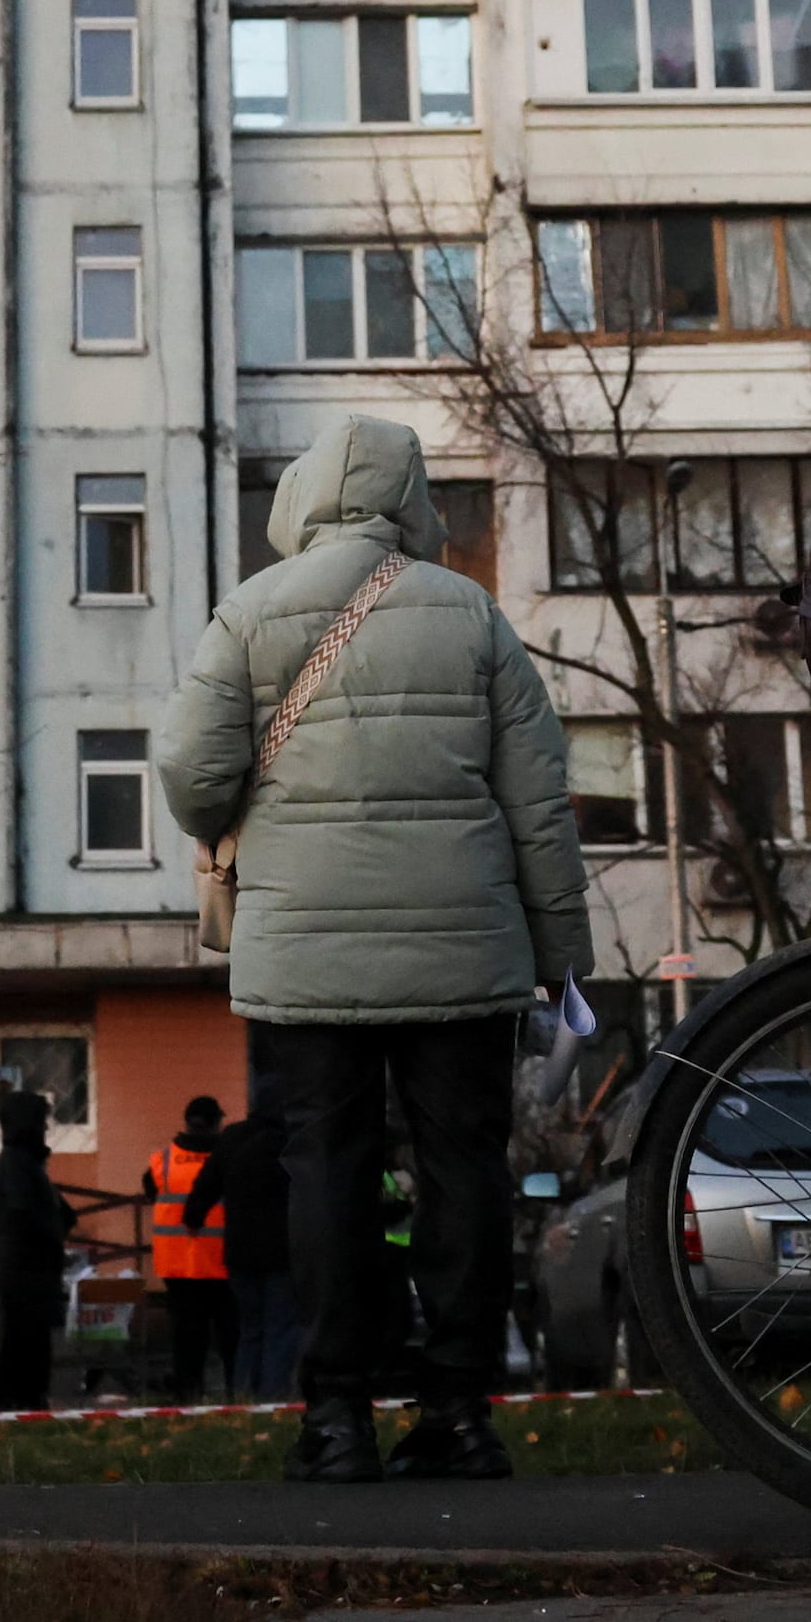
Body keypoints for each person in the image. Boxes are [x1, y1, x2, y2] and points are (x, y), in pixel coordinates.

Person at [161, 415, 591, 1484]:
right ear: (414, 501)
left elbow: (188, 771)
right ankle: (458, 1410)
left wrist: (252, 810)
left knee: (327, 1174)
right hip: (463, 949)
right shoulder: (472, 615)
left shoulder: (250, 614)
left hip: (307, 955)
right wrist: (558, 948)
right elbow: (538, 799)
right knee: (462, 1173)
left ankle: (336, 1418)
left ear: (301, 499)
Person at [147, 1093, 236, 1400]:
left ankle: (188, 1391)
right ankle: (235, 1393)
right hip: (220, 1262)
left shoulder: (164, 1160)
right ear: (216, 1125)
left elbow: (149, 1190)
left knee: (187, 1334)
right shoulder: (228, 1157)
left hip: (178, 1264)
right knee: (229, 1334)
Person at [0, 1085, 70, 1410]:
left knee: (28, 1339)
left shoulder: (22, 1162)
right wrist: (53, 1230)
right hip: (27, 1269)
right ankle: (22, 1404)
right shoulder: (19, 1163)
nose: (46, 1128)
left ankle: (25, 1402)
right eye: (41, 1121)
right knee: (26, 1341)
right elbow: (28, 1211)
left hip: (28, 1268)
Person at [211, 1099, 300, 1400]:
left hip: (239, 1253)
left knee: (250, 1330)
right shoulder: (290, 1149)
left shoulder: (233, 1144)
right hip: (280, 1255)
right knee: (280, 1329)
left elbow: (207, 1186)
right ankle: (273, 1396)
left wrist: (194, 1214)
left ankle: (243, 1393)